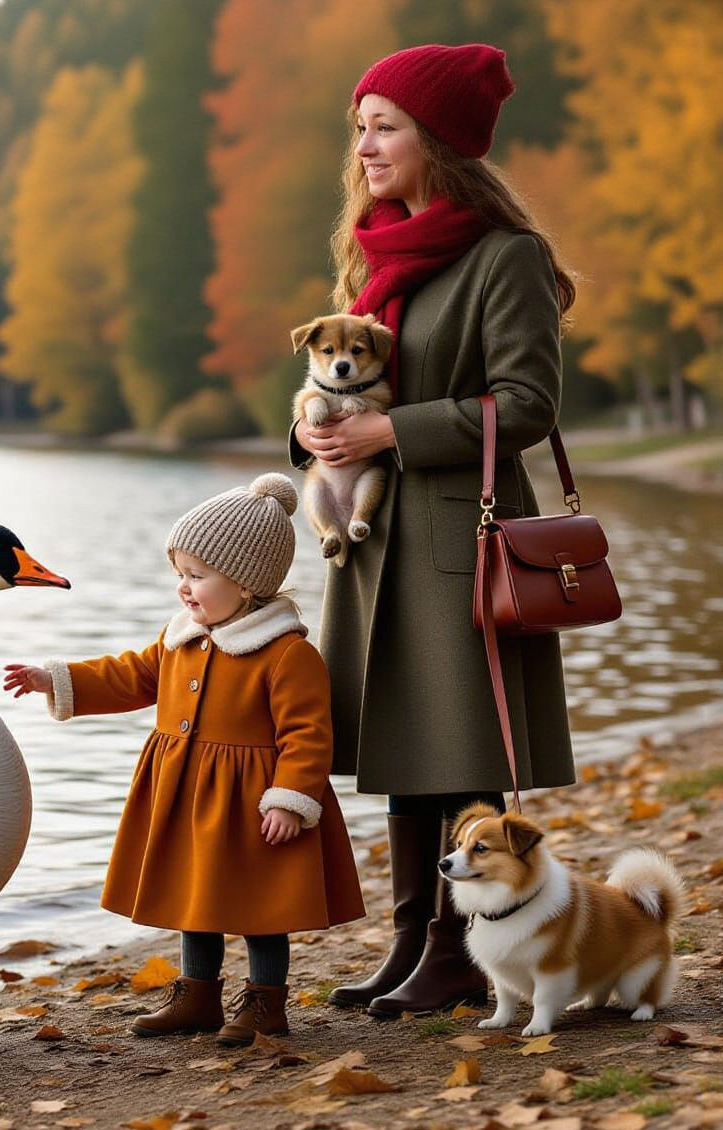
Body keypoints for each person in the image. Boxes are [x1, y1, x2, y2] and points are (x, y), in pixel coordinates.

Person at [290, 43, 577, 1018]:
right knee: (403, 745)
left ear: (438, 142)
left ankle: (461, 946)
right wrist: (312, 434)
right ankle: (415, 936)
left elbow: (527, 403)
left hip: (464, 532)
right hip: (379, 544)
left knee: (457, 746)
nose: (364, 147)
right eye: (359, 127)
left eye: (385, 127)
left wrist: (387, 431)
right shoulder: (377, 254)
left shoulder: (507, 258)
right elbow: (348, 387)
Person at [4, 473, 364, 1045]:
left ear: (246, 585)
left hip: (253, 804)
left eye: (197, 575)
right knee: (196, 899)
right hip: (188, 793)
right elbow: (131, 674)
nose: (184, 588)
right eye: (180, 574)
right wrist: (57, 678)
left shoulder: (287, 654)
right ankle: (198, 995)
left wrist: (292, 800)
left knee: (257, 908)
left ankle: (265, 1004)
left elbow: (309, 734)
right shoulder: (181, 638)